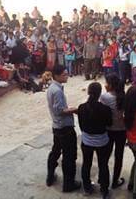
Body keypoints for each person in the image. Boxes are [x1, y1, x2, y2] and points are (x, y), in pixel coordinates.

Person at [45, 65, 81, 193]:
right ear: (57, 75)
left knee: (55, 151)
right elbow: (60, 110)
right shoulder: (57, 91)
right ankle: (68, 184)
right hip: (64, 127)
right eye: (65, 74)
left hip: (57, 126)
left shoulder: (53, 88)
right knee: (69, 156)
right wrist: (75, 110)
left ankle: (50, 176)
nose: (67, 76)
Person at [78, 82, 113, 197]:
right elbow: (109, 123)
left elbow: (81, 126)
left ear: (88, 92)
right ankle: (104, 190)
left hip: (87, 141)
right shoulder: (105, 109)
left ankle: (87, 188)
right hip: (102, 141)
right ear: (100, 94)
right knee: (103, 165)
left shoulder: (81, 108)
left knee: (86, 164)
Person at [99, 74, 127, 190]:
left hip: (109, 131)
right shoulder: (123, 97)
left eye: (106, 83)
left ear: (110, 85)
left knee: (105, 156)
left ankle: (102, 178)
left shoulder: (105, 97)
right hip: (121, 131)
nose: (105, 85)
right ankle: (115, 181)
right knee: (118, 156)